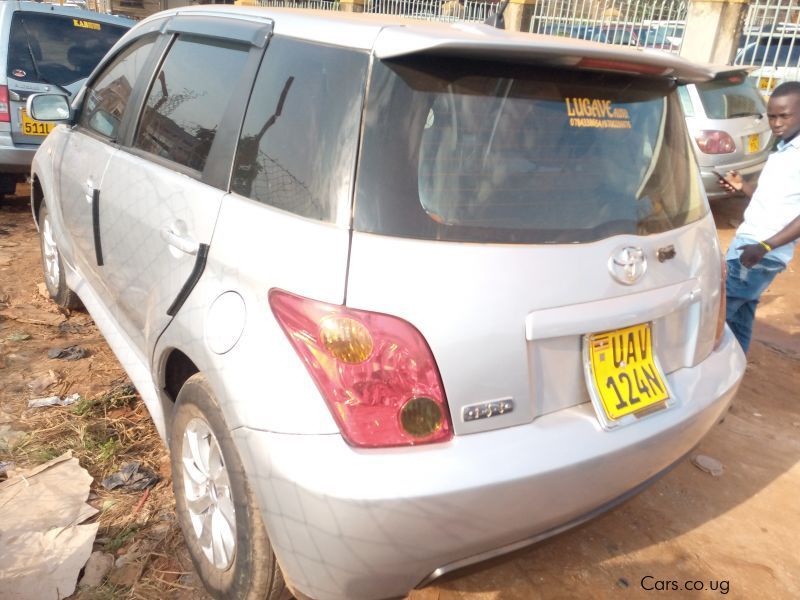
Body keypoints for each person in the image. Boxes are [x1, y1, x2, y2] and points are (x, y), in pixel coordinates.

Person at [717, 81, 800, 353]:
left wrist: (765, 246)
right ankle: (735, 368)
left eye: (784, 115)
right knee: (740, 318)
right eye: (772, 115)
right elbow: (773, 200)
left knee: (712, 316)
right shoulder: (785, 149)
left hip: (759, 252)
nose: (776, 123)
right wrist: (743, 186)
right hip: (752, 246)